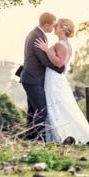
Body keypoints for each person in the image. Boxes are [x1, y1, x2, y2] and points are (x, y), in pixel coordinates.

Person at [34, 18, 89, 144]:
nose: (54, 27)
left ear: (63, 28)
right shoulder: (66, 44)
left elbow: (59, 63)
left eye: (56, 25)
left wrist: (46, 50)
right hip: (55, 77)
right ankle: (62, 135)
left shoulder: (60, 45)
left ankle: (61, 136)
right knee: (59, 105)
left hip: (54, 78)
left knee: (56, 105)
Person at [18, 12, 65, 141]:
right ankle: (40, 139)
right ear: (46, 24)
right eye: (53, 24)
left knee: (33, 110)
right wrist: (60, 68)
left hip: (31, 78)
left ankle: (30, 138)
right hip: (32, 79)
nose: (54, 27)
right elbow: (44, 60)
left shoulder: (36, 34)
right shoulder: (37, 36)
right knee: (41, 109)